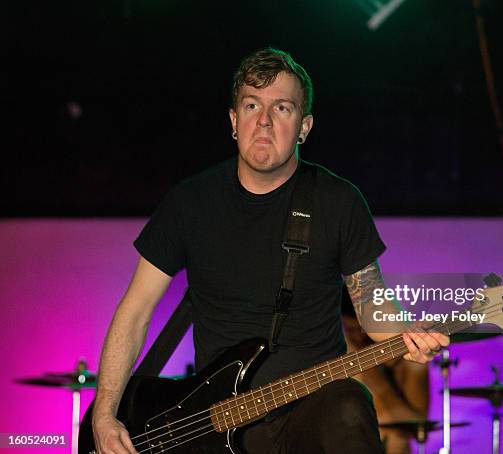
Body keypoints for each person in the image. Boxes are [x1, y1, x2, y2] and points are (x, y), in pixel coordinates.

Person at [92, 47, 449, 454]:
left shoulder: (338, 201)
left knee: (350, 403)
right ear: (233, 121)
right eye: (251, 105)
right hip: (217, 418)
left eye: (281, 108)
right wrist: (105, 414)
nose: (263, 120)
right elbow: (135, 312)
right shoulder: (189, 203)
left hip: (313, 408)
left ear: (304, 126)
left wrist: (407, 337)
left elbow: (370, 303)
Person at [342, 286, 429, 454]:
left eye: (363, 330)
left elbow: (415, 425)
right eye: (351, 330)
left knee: (398, 441)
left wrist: (368, 369)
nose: (359, 337)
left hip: (394, 447)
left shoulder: (409, 359)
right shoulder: (341, 353)